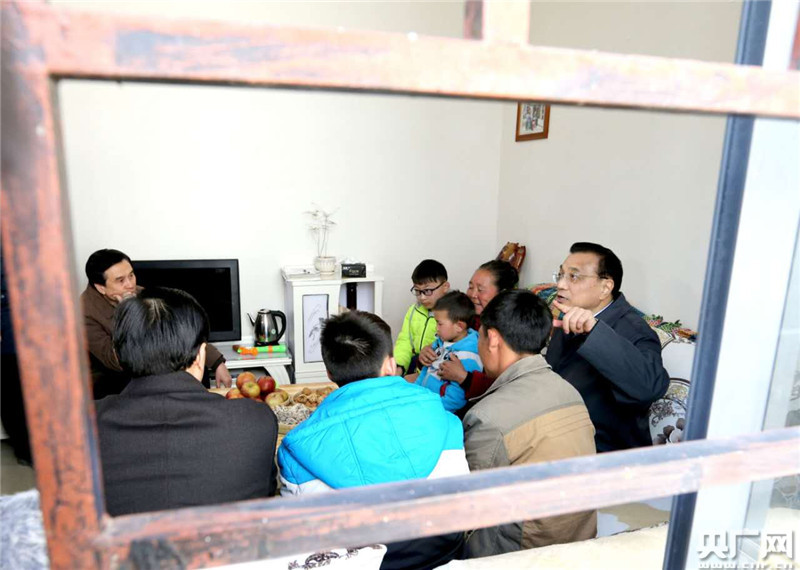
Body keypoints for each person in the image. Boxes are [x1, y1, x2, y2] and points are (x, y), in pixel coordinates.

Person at [278, 310, 468, 570]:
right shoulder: (447, 423)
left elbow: (299, 536)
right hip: (443, 561)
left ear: (329, 373)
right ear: (390, 365)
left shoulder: (296, 449)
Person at [96, 287, 278, 516]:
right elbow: (267, 495)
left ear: (118, 355)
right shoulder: (255, 421)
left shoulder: (82, 427)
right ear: (201, 355)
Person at [462, 290, 596, 558]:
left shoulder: (488, 416)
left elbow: (469, 508)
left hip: (523, 554)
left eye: (479, 336)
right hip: (580, 539)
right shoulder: (569, 391)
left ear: (493, 339)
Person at [547, 242, 669, 452]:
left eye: (573, 276)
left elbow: (650, 387)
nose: (561, 284)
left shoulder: (634, 329)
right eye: (560, 275)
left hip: (604, 453)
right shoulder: (570, 315)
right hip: (559, 435)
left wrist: (595, 331)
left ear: (605, 287)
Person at [80, 249, 232, 398]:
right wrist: (128, 311)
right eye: (121, 280)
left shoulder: (139, 293)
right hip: (113, 380)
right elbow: (116, 360)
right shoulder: (83, 313)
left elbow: (180, 329)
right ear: (101, 287)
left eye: (131, 275)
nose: (130, 284)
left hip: (150, 369)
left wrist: (217, 362)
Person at [420, 260, 518, 399]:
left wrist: (464, 378)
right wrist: (425, 356)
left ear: (501, 294)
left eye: (480, 289)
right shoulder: (466, 318)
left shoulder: (509, 332)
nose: (472, 294)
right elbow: (442, 349)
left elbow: (505, 385)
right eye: (470, 287)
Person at [407, 291, 482, 413]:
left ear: (459, 326)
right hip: (423, 402)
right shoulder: (441, 342)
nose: (436, 328)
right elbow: (426, 370)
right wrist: (415, 392)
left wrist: (429, 410)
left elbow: (455, 399)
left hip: (437, 411)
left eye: (439, 323)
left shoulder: (468, 357)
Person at [393, 259, 450, 376]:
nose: (422, 297)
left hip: (435, 372)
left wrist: (421, 376)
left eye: (427, 291)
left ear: (445, 286)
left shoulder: (452, 315)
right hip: (415, 364)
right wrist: (399, 366)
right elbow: (405, 342)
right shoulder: (413, 311)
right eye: (417, 291)